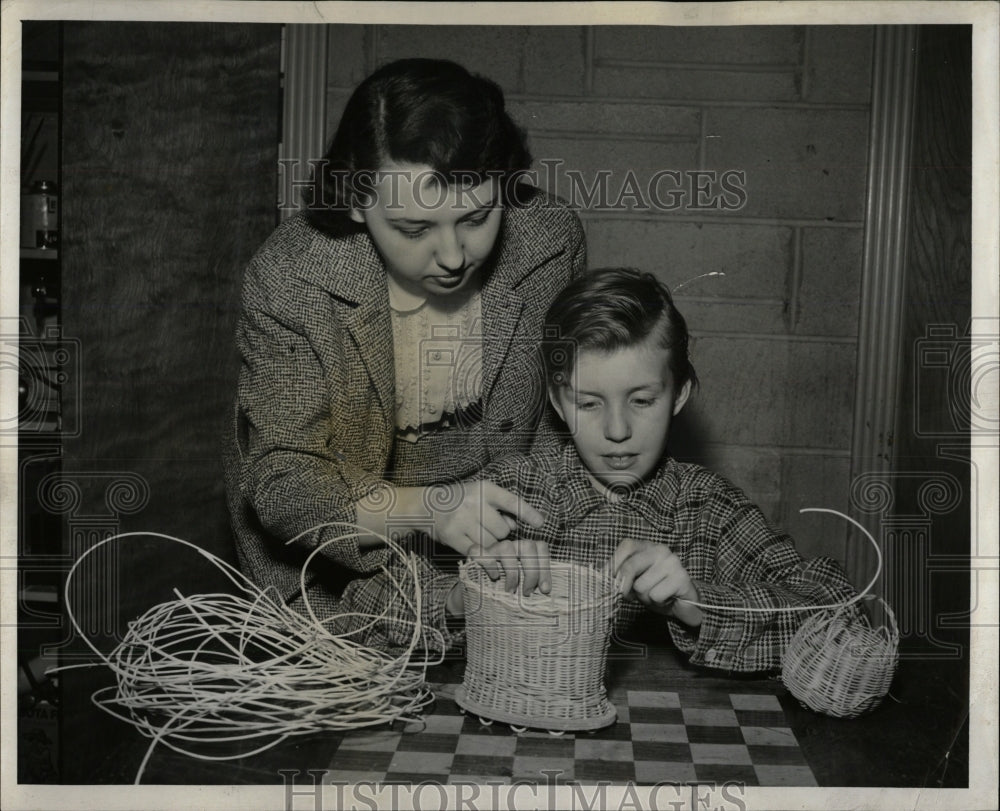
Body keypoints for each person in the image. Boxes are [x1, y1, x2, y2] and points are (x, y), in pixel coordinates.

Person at [223, 58, 584, 647]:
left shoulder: (548, 242)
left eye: (476, 217)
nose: (451, 256)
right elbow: (286, 485)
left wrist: (522, 537)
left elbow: (552, 429)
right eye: (414, 230)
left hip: (493, 560)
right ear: (356, 201)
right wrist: (434, 509)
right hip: (329, 569)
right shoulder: (289, 276)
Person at [462, 267, 860, 672]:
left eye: (642, 401)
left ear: (679, 394)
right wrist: (466, 593)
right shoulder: (510, 491)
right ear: (559, 402)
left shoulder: (709, 510)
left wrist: (698, 604)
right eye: (588, 404)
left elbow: (841, 610)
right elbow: (396, 593)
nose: (618, 431)